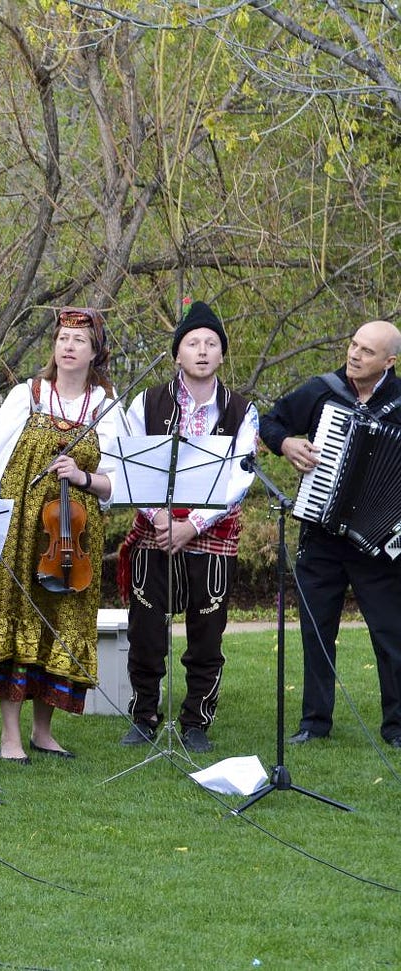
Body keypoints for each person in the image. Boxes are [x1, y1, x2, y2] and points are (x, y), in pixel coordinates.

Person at [0, 307, 120, 763]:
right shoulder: (25, 396)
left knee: (62, 618)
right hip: (19, 528)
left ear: (95, 353)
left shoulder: (107, 409)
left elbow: (118, 483)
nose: (68, 346)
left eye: (79, 341)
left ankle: (43, 731)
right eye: (63, 338)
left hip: (73, 538)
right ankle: (10, 736)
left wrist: (83, 476)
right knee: (15, 615)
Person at [117, 300, 257, 753]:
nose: (201, 350)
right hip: (154, 528)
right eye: (192, 343)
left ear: (221, 355)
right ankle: (144, 716)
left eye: (211, 344)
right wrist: (161, 518)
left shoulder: (241, 409)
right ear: (177, 353)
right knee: (146, 629)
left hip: (211, 534)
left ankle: (196, 721)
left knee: (207, 632)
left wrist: (192, 525)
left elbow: (241, 475)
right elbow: (131, 463)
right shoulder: (148, 401)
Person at [259, 319, 401, 747]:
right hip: (321, 535)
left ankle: (396, 727)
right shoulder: (323, 390)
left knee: (391, 635)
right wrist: (286, 444)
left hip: (379, 544)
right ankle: (314, 723)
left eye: (366, 351)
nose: (354, 355)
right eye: (353, 345)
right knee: (316, 631)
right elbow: (270, 422)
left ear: (389, 362)